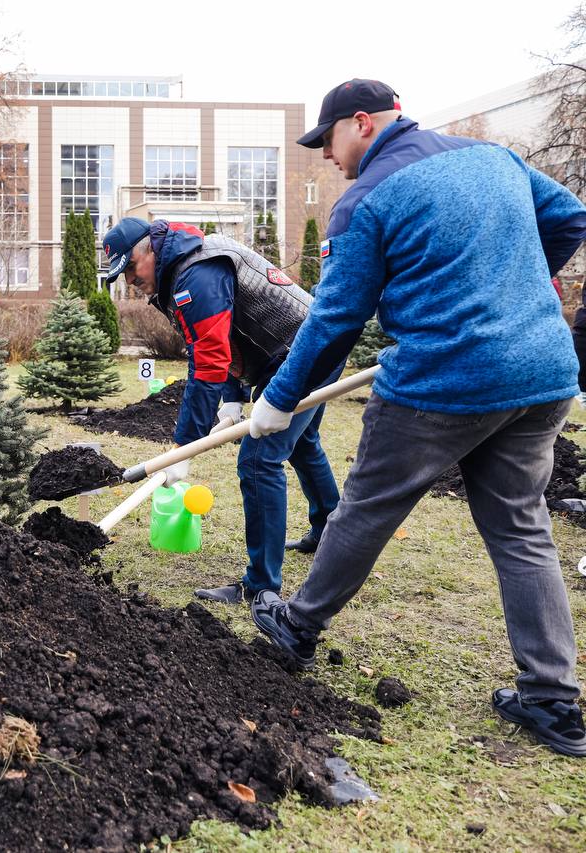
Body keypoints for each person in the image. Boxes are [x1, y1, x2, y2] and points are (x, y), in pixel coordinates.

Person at [248, 79, 586, 757]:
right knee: (521, 525)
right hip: (543, 370)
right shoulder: (492, 158)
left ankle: (297, 625)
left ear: (363, 124)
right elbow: (572, 218)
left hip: (444, 377)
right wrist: (513, 293)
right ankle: (553, 700)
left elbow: (336, 318)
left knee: (368, 503)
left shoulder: (366, 201)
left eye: (329, 142)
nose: (328, 158)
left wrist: (279, 396)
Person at [101, 216, 341, 604]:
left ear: (149, 248)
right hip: (297, 350)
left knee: (259, 460)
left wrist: (184, 446)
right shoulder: (184, 266)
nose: (129, 280)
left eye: (130, 267)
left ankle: (261, 586)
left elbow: (209, 357)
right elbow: (224, 337)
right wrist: (231, 399)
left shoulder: (195, 273)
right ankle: (331, 532)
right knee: (301, 443)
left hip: (305, 351)